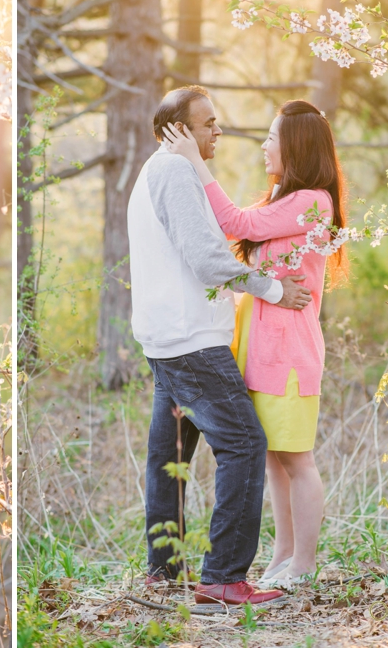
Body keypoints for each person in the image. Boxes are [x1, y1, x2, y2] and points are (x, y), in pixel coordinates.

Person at [128, 85, 312, 609]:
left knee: (172, 456)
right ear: (179, 130)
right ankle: (225, 578)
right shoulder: (174, 173)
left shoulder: (151, 172)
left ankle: (164, 573)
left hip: (166, 338)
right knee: (246, 444)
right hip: (192, 340)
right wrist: (272, 288)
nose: (218, 131)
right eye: (207, 123)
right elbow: (209, 260)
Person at [162, 99, 349, 588]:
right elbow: (237, 225)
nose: (264, 147)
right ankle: (282, 554)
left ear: (297, 146)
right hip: (257, 346)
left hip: (289, 353)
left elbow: (235, 224)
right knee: (271, 457)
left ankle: (304, 565)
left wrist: (196, 164)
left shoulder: (314, 201)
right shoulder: (282, 200)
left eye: (272, 138)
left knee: (297, 459)